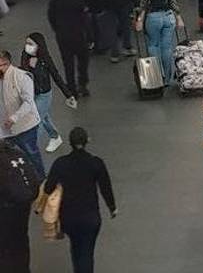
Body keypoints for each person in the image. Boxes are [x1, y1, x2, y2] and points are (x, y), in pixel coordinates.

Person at [44, 127, 116, 273]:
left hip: (68, 219)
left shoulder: (61, 163)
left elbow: (48, 188)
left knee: (76, 248)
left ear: (70, 143)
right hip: (90, 218)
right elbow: (105, 188)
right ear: (87, 140)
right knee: (87, 252)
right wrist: (112, 207)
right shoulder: (96, 163)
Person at [19, 33, 76, 153]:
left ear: (39, 46)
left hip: (44, 94)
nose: (27, 46)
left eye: (30, 44)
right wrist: (30, 67)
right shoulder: (25, 55)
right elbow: (24, 74)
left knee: (36, 119)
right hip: (32, 93)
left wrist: (68, 94)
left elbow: (56, 76)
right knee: (44, 117)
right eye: (27, 43)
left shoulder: (45, 59)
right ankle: (55, 137)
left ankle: (31, 147)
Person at [135, 0, 182, 87]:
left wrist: (139, 20)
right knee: (167, 47)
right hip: (168, 16)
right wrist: (178, 17)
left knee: (153, 45)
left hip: (153, 17)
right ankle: (167, 78)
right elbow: (173, 2)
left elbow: (143, 4)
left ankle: (156, 77)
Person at [0, 51, 44, 179]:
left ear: (7, 64)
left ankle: (41, 181)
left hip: (25, 127)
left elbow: (28, 102)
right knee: (8, 159)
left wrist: (14, 118)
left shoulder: (21, 77)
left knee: (32, 155)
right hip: (5, 129)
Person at [48, 0, 91, 98]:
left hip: (62, 35)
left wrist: (56, 29)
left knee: (68, 63)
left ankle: (71, 88)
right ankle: (82, 84)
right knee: (83, 60)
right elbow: (85, 18)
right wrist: (90, 35)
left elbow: (51, 16)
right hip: (78, 34)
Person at [0, 139, 39, 272]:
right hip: (23, 206)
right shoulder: (17, 153)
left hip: (5, 209)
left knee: (5, 247)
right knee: (21, 239)